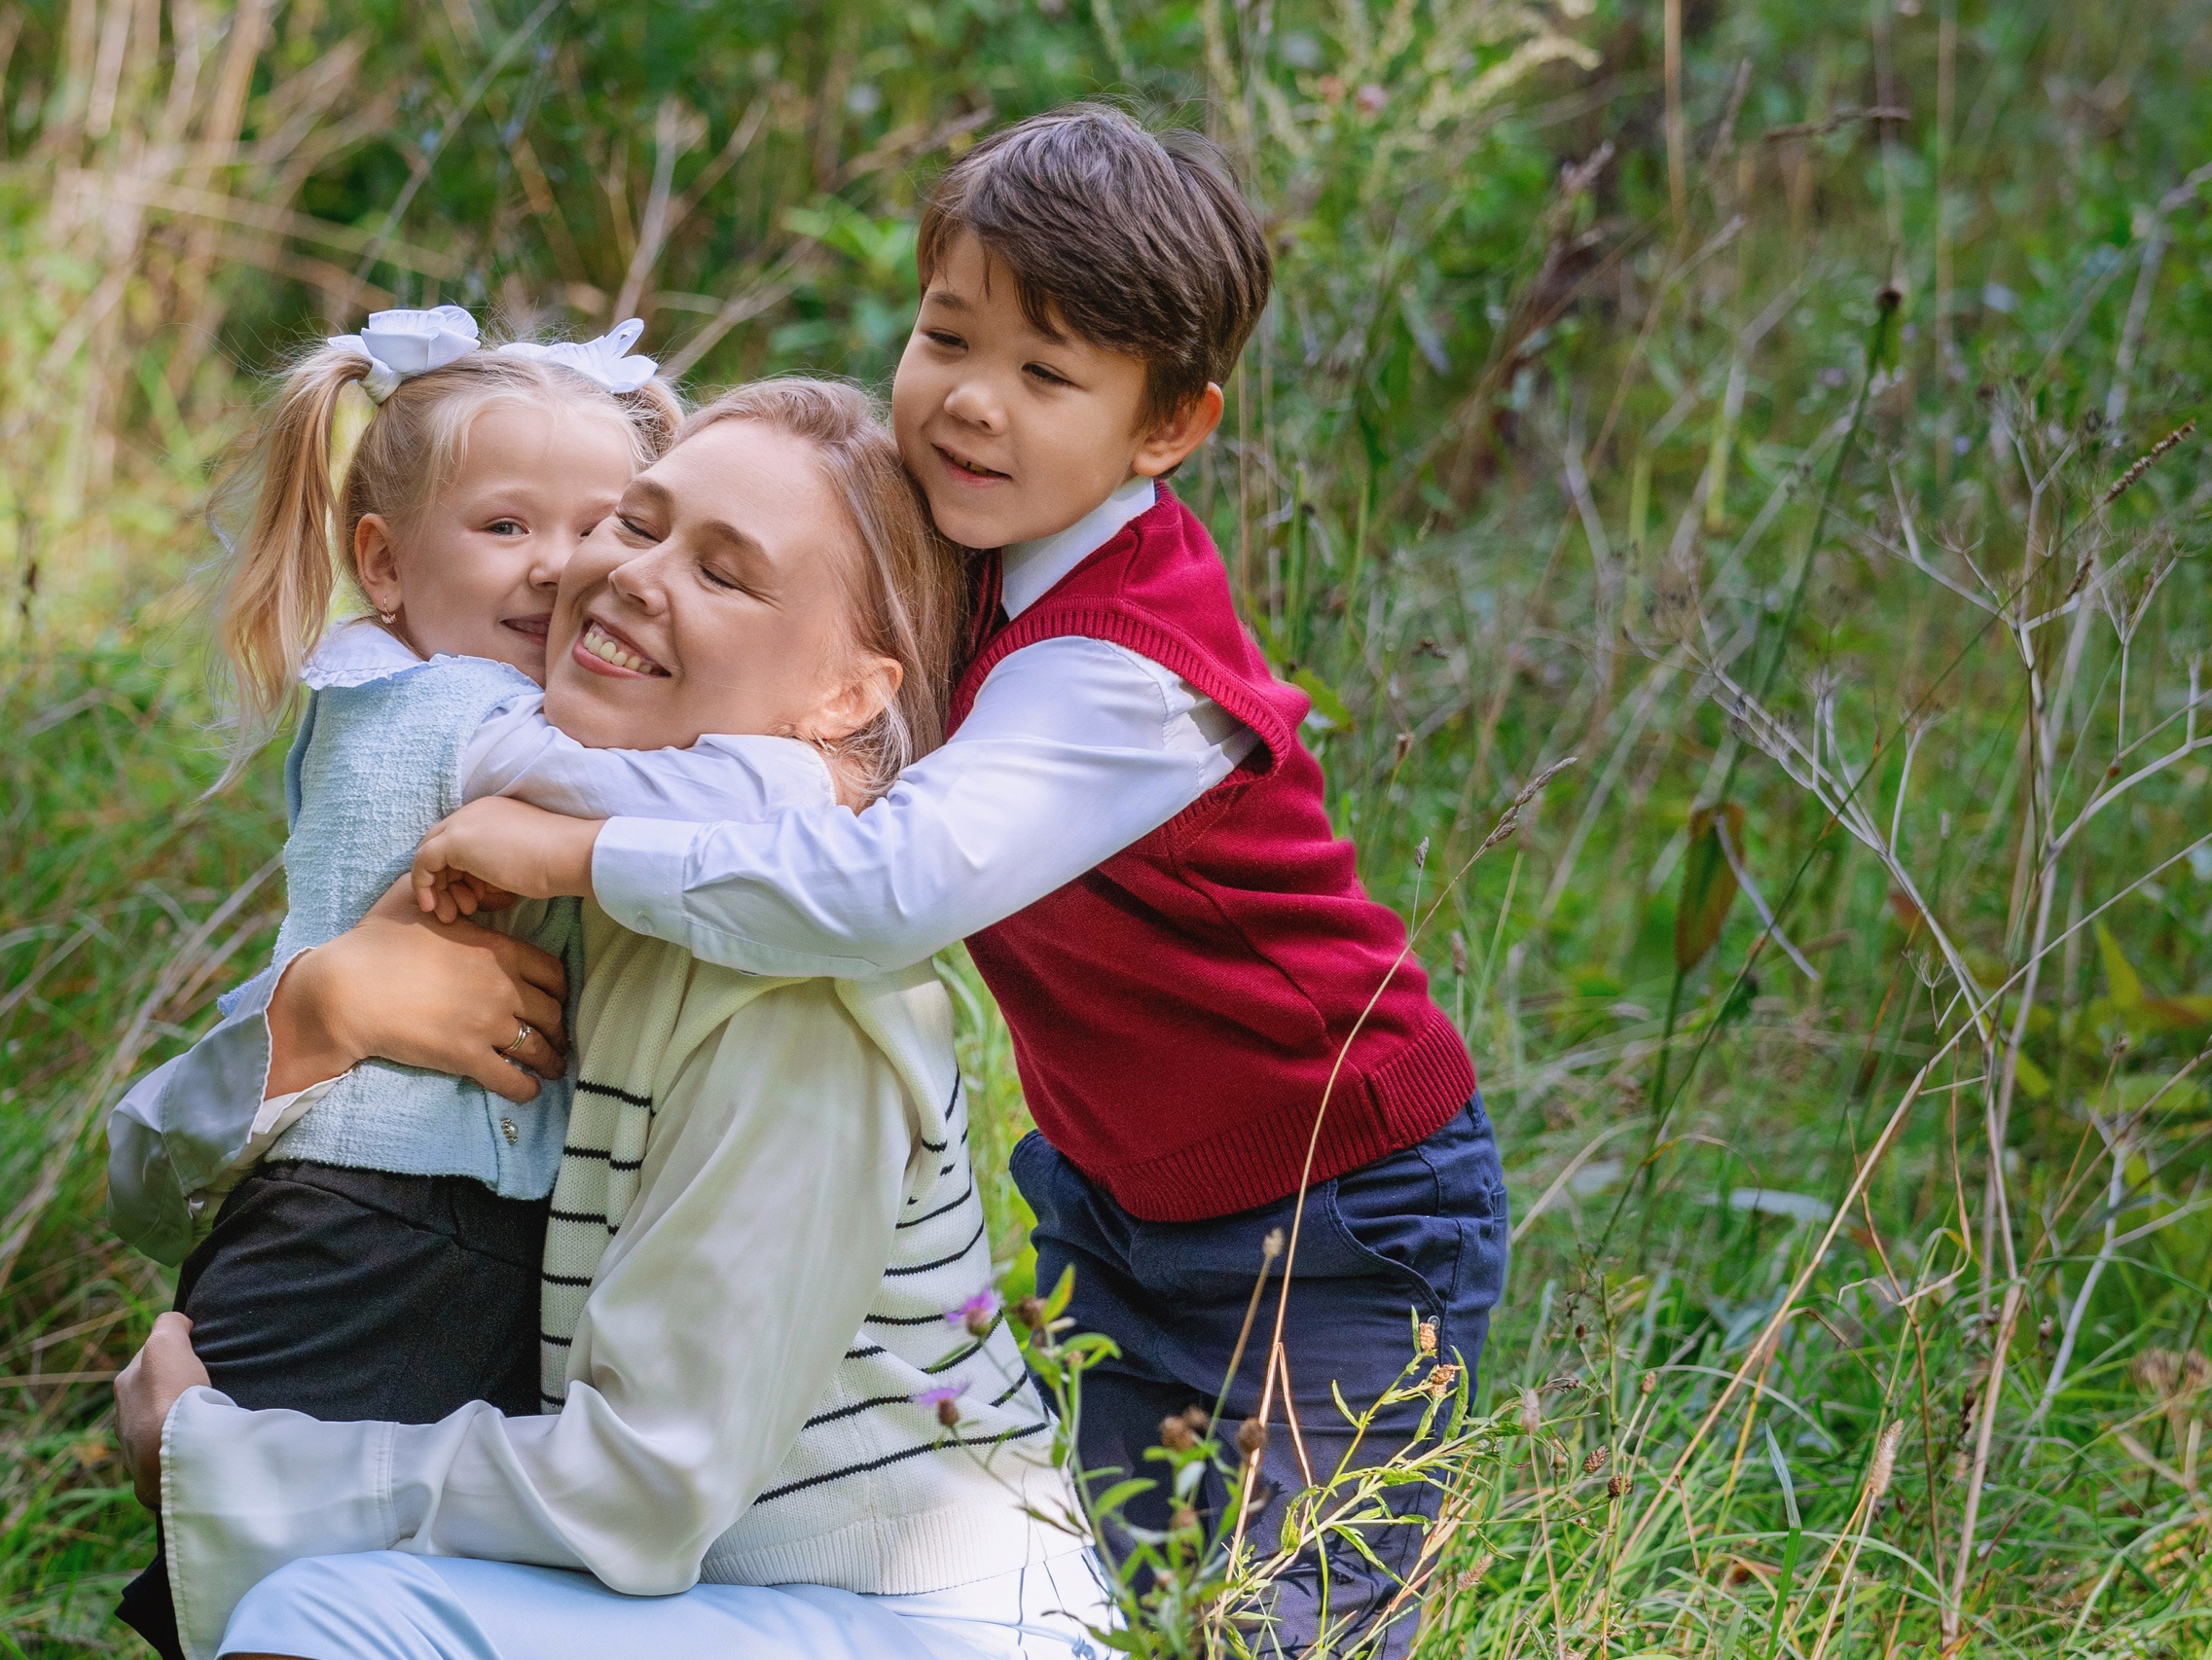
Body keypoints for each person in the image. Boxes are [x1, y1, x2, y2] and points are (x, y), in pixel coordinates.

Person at [397, 107, 1510, 1656]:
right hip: (1122, 1195)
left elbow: (881, 886)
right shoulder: (972, 547)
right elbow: (757, 745)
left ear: (1167, 426)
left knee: (1291, 1617)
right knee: (1136, 1607)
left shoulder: (1126, 668)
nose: (973, 406)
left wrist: (582, 849)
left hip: (1336, 1197)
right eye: (946, 337)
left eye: (1049, 376)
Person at [114, 381, 1107, 1660]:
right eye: (637, 525)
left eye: (725, 572)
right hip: (708, 1595)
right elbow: (145, 1173)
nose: (632, 575)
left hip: (914, 1621)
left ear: (848, 696)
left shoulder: (795, 1008)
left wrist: (223, 1459)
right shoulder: (563, 872)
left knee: (326, 1616)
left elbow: (640, 1489)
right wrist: (314, 1018)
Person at [106, 310, 840, 1656]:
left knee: (310, 1592)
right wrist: (824, 772)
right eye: (506, 527)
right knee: (273, 1599)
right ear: (381, 562)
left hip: (395, 1226)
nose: (561, 568)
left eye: (600, 524)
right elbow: (647, 795)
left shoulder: (393, 692)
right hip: (378, 1235)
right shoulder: (463, 719)